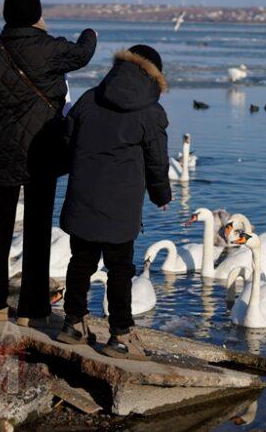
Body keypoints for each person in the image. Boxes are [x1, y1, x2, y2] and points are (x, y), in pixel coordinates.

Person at [0, 0, 97, 325]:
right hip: (43, 148)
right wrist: (90, 32)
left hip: (4, 149)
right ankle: (32, 309)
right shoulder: (50, 49)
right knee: (38, 226)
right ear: (35, 14)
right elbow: (83, 53)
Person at [56, 44, 172, 359]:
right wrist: (161, 195)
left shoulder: (89, 98)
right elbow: (157, 162)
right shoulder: (151, 113)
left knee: (81, 261)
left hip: (83, 199)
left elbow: (66, 142)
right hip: (120, 208)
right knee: (119, 269)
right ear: (154, 77)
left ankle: (72, 324)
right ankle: (120, 335)